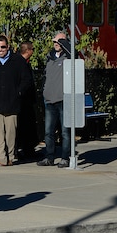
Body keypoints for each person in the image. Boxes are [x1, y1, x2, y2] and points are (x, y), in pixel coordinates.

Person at [0, 35, 33, 167]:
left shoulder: (18, 60)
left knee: (10, 132)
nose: (0, 50)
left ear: (7, 47)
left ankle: (10, 157)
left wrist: (19, 92)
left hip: (12, 102)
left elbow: (26, 79)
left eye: (2, 47)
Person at [38, 32, 72, 168]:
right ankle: (49, 157)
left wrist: (66, 44)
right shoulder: (49, 58)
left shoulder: (68, 58)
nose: (56, 44)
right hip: (49, 100)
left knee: (65, 132)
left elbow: (76, 54)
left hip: (63, 99)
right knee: (48, 132)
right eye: (54, 42)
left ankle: (65, 158)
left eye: (59, 42)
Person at [16, 41, 39, 160]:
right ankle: (21, 149)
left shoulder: (26, 63)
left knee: (28, 126)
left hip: (28, 101)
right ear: (28, 51)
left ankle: (29, 149)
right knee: (21, 126)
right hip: (22, 101)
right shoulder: (19, 63)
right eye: (32, 49)